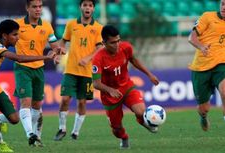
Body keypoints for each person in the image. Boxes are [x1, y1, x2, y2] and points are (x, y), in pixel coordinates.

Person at [92, 25, 159, 149]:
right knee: (116, 128)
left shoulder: (126, 47)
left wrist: (149, 74)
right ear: (104, 42)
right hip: (110, 95)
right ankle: (124, 138)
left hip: (127, 87)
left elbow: (134, 60)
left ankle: (144, 121)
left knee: (141, 112)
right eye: (113, 42)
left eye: (118, 40)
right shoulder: (98, 58)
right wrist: (110, 90)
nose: (117, 44)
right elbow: (95, 83)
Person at [0, 19, 55, 152]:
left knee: (15, 119)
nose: (18, 37)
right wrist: (46, 57)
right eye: (15, 35)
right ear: (5, 36)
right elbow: (19, 58)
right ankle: (0, 144)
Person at [14, 0, 64, 146]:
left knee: (36, 105)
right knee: (26, 102)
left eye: (40, 6)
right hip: (22, 68)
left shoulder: (47, 25)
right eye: (34, 7)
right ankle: (30, 134)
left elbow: (54, 46)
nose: (38, 9)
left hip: (39, 69)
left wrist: (56, 54)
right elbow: (5, 39)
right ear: (27, 8)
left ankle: (36, 136)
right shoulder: (17, 25)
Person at [54, 0, 103, 141]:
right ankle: (62, 128)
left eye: (90, 5)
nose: (87, 7)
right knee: (64, 99)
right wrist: (60, 50)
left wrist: (88, 58)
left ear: (93, 9)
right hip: (70, 70)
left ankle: (75, 132)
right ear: (80, 7)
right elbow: (63, 40)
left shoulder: (98, 28)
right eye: (85, 5)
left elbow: (100, 48)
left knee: (82, 102)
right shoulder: (71, 24)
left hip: (87, 72)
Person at [188, 0, 225, 131]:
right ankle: (203, 117)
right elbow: (191, 38)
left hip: (222, 64)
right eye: (223, 3)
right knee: (204, 109)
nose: (224, 7)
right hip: (201, 67)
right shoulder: (207, 17)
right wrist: (202, 47)